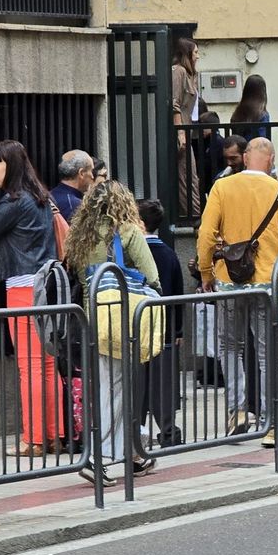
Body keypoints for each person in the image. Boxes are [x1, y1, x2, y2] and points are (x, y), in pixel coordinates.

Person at [0, 140, 62, 458]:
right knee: (47, 364)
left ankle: (32, 439)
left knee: (29, 367)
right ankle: (54, 434)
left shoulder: (14, 202)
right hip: (46, 286)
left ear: (11, 166)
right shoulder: (41, 197)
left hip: (22, 290)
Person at [197, 137, 278, 432]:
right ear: (270, 159)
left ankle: (238, 412)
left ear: (245, 157)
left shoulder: (222, 187)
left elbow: (206, 234)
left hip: (229, 279)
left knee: (230, 346)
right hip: (267, 281)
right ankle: (269, 416)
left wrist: (206, 272)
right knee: (267, 353)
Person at [63, 181, 161, 485]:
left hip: (90, 319)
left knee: (110, 386)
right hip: (121, 318)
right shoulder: (128, 232)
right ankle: (97, 457)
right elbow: (153, 276)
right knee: (115, 390)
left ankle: (134, 454)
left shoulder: (80, 235)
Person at [137, 198, 184, 449]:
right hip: (165, 329)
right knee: (164, 384)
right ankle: (168, 432)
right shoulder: (169, 254)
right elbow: (177, 293)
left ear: (140, 224)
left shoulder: (135, 255)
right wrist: (178, 329)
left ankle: (140, 431)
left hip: (140, 328)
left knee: (140, 385)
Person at [169, 38, 204, 218]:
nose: (198, 56)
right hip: (181, 129)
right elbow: (175, 103)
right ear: (187, 54)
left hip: (187, 127)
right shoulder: (179, 72)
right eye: (195, 52)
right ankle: (193, 216)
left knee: (191, 175)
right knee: (187, 175)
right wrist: (180, 132)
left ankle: (194, 214)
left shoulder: (190, 75)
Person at [51, 150, 94, 221]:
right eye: (91, 171)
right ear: (81, 173)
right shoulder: (76, 205)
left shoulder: (49, 196)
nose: (92, 176)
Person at [230, 74, 271, 141]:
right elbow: (263, 138)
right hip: (255, 149)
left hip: (239, 149)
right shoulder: (262, 115)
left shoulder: (237, 114)